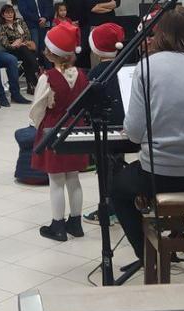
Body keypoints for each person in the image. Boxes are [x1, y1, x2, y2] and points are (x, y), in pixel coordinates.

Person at [111, 6, 184, 283]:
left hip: (160, 175)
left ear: (160, 34)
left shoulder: (147, 67)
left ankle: (147, 256)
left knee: (117, 189)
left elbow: (134, 133)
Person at [30, 21, 88, 242]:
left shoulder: (48, 78)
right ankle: (76, 223)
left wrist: (38, 127)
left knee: (56, 181)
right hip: (77, 129)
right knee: (74, 177)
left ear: (50, 52)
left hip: (54, 129)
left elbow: (37, 108)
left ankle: (58, 226)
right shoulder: (82, 74)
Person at [82, 22, 124, 225]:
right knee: (118, 165)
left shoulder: (95, 72)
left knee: (105, 169)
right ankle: (120, 204)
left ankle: (108, 209)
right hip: (125, 126)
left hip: (104, 128)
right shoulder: (124, 68)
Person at [0, 4, 39, 95]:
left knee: (26, 55)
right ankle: (33, 80)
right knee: (27, 55)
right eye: (7, 13)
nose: (10, 14)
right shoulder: (2, 28)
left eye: (11, 12)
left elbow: (27, 34)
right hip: (13, 51)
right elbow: (5, 44)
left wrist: (19, 41)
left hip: (24, 47)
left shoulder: (20, 22)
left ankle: (31, 85)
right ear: (3, 15)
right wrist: (15, 45)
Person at [17, 0, 53, 67]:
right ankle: (37, 69)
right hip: (32, 24)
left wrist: (45, 18)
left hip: (46, 23)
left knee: (47, 47)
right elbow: (24, 11)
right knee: (35, 48)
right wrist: (39, 20)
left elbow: (50, 8)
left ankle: (49, 70)